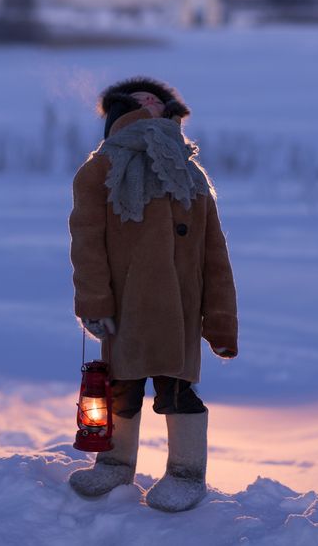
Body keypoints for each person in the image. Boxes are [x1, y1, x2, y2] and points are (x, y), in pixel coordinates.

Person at [67, 76, 238, 513]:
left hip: (180, 311)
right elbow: (86, 243)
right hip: (126, 310)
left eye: (157, 102)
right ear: (121, 112)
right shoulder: (101, 169)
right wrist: (94, 303)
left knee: (177, 392)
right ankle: (115, 464)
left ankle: (186, 473)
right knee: (121, 389)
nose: (150, 107)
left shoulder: (191, 176)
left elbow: (214, 254)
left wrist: (220, 321)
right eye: (139, 103)